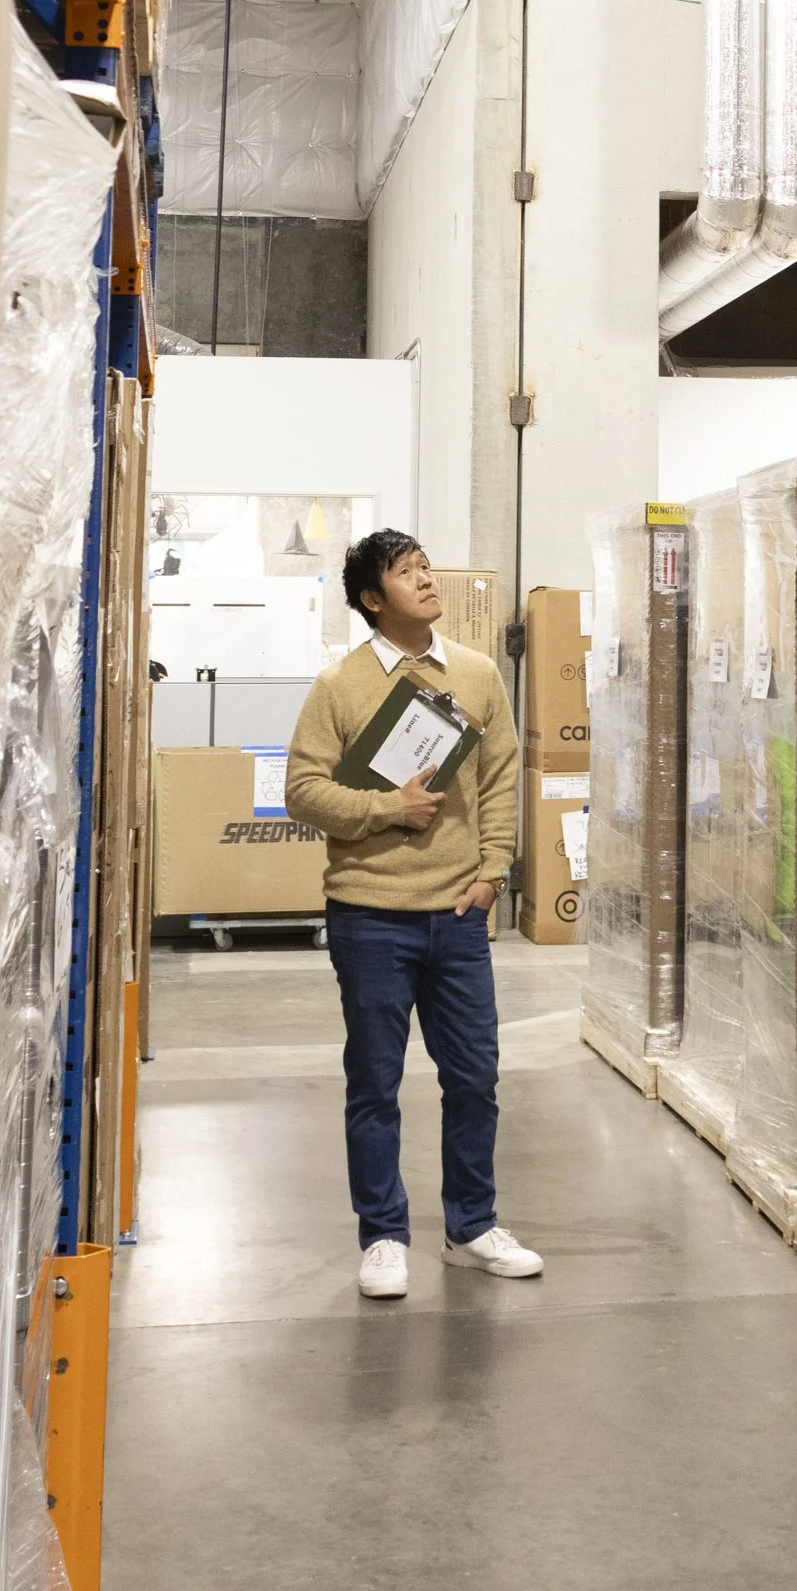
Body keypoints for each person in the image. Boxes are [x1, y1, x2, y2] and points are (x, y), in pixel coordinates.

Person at [285, 530, 543, 1300]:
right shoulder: (339, 687)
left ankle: (470, 1227)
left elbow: (500, 780)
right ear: (372, 598)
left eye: (426, 568)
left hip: (459, 913)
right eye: (407, 573)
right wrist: (384, 808)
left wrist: (494, 872)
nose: (427, 581)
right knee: (375, 1081)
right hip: (369, 913)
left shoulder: (475, 674)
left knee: (475, 1078)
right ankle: (384, 1237)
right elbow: (302, 791)